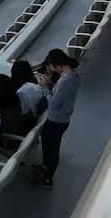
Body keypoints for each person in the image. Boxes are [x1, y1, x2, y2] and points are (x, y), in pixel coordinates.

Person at [35, 48, 80, 187]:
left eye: (51, 67)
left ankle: (48, 177)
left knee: (52, 148)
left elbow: (54, 104)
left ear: (57, 65)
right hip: (61, 118)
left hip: (57, 120)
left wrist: (44, 87)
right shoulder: (71, 76)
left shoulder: (66, 81)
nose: (51, 70)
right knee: (48, 144)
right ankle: (44, 166)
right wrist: (50, 84)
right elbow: (60, 94)